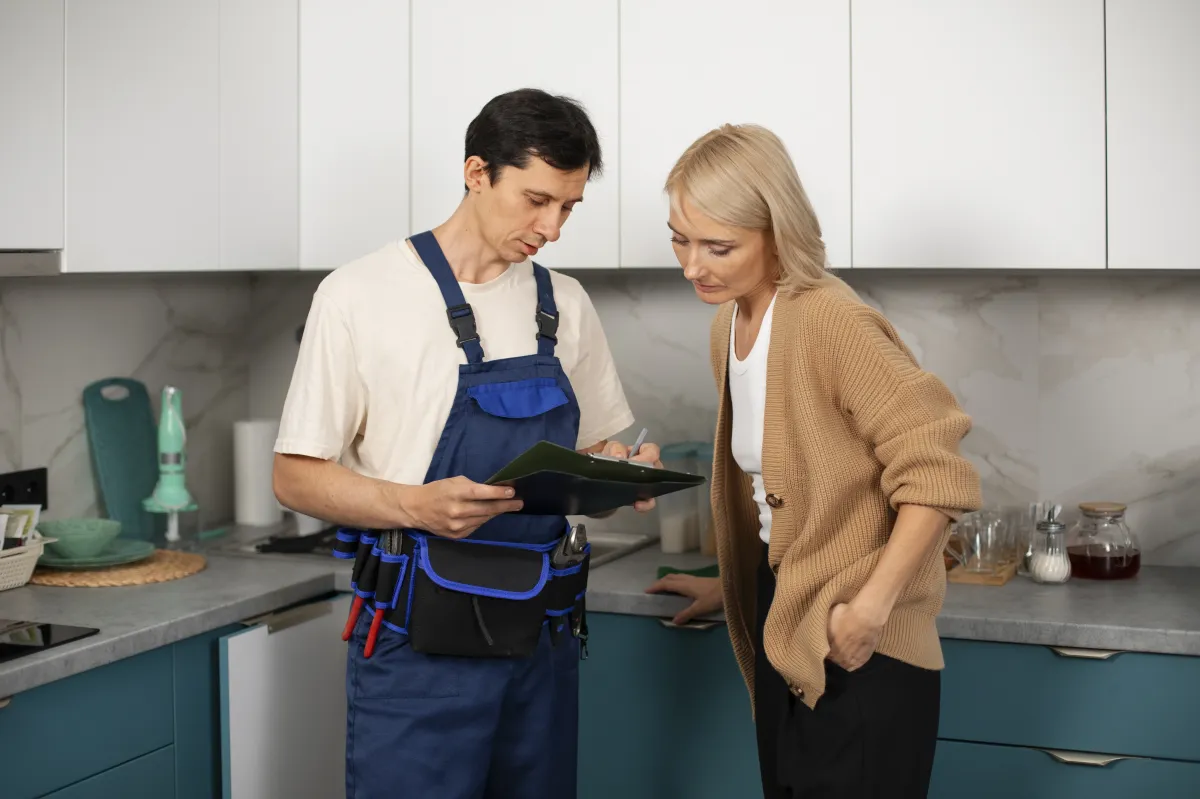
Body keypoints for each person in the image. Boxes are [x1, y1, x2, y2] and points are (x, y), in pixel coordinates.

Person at [272, 88, 660, 799]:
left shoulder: (564, 303)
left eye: (569, 206)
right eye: (537, 200)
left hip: (541, 640)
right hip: (414, 645)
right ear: (476, 172)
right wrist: (414, 505)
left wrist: (621, 474)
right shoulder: (358, 295)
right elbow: (295, 477)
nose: (553, 228)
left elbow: (596, 446)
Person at [645, 124, 982, 798]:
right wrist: (736, 583)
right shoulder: (730, 324)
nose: (692, 266)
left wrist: (869, 610)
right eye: (680, 239)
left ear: (778, 232)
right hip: (787, 614)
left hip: (862, 633)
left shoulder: (830, 320)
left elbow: (938, 475)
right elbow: (780, 483)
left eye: (719, 246)